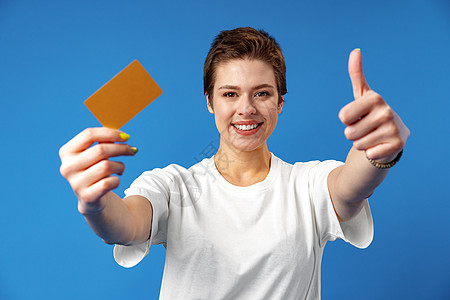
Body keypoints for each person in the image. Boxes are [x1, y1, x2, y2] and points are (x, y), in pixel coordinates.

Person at [59, 27, 410, 299]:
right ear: (210, 102)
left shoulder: (308, 184)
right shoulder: (172, 187)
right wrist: (95, 203)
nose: (246, 108)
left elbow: (351, 185)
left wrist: (378, 150)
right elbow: (125, 225)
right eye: (230, 94)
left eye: (262, 93)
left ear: (280, 102)